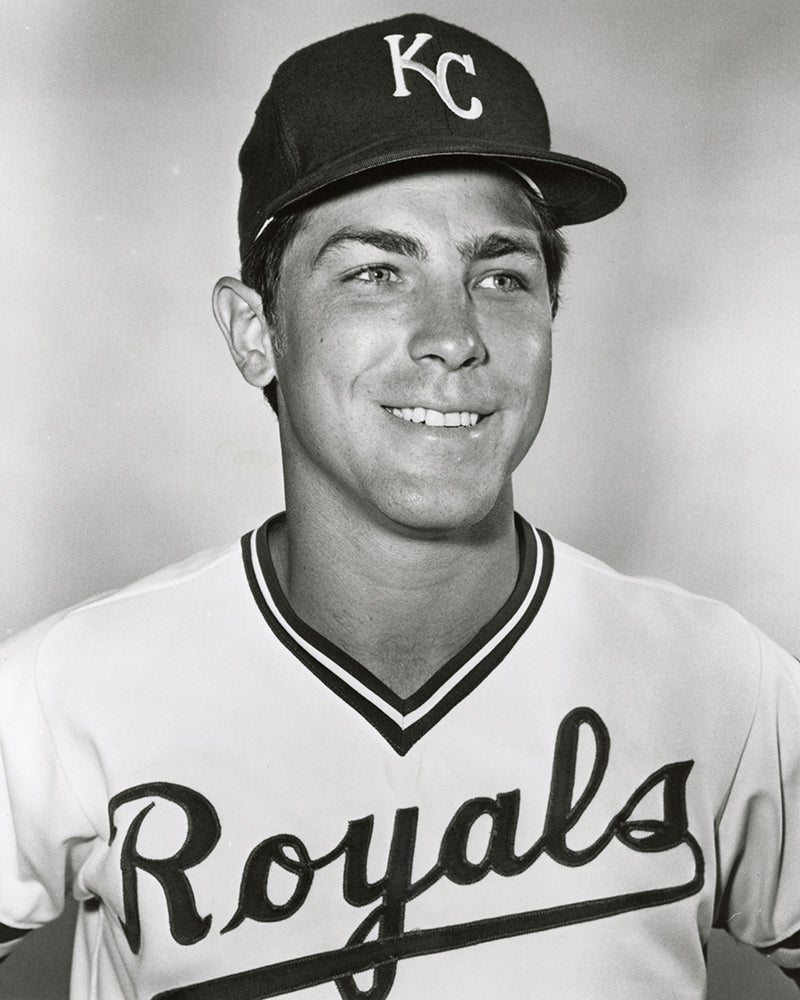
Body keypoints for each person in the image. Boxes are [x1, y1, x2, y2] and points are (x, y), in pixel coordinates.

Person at [1, 13, 798, 1000]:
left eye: (500, 275)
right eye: (376, 272)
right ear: (255, 331)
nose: (452, 335)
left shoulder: (721, 685)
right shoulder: (60, 695)